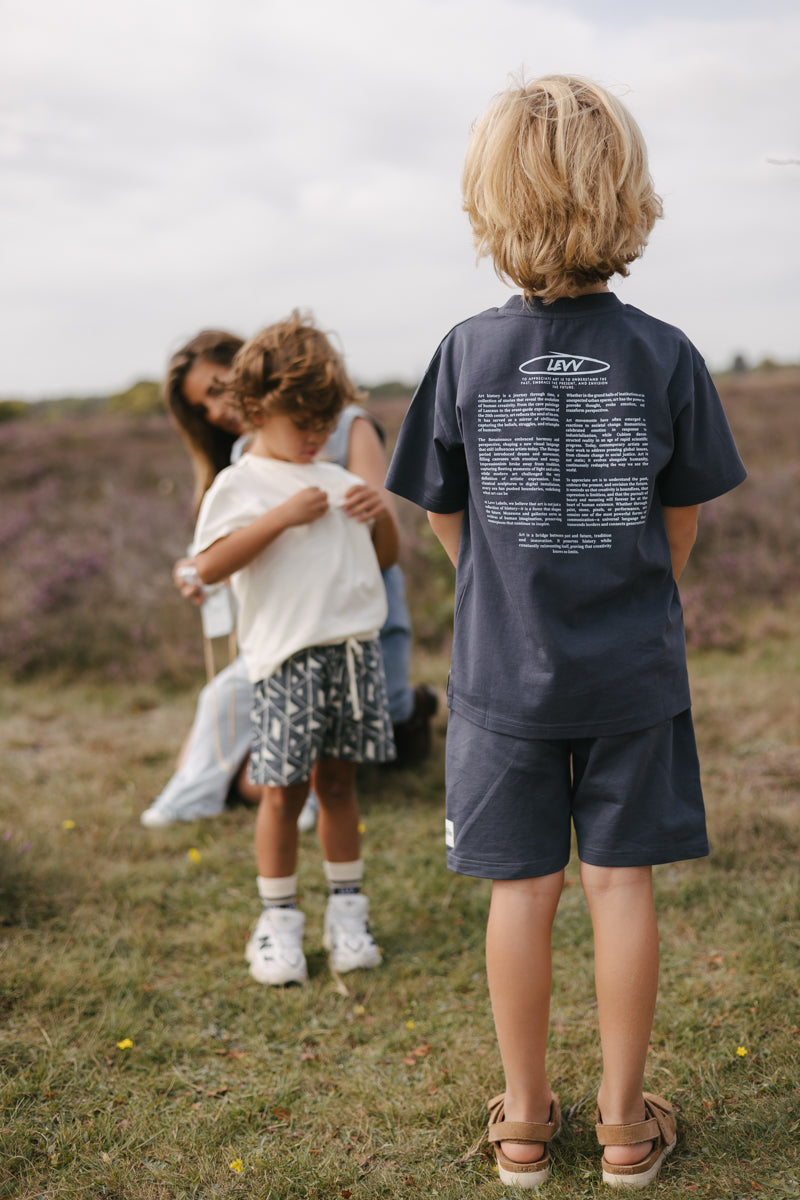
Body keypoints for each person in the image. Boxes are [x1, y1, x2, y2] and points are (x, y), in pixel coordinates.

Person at [385, 75, 746, 1188]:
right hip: (633, 671)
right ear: (622, 194)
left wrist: (497, 583)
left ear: (489, 203)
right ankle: (627, 1125)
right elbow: (675, 523)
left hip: (502, 678)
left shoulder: (461, 354)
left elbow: (444, 515)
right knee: (619, 883)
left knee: (521, 890)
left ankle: (525, 1126)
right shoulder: (665, 352)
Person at [140, 330, 436, 830]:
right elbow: (220, 554)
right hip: (287, 633)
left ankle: (411, 710)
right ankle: (203, 791)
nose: (217, 409)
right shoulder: (244, 463)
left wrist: (376, 512)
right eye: (204, 405)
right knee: (220, 714)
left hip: (354, 628)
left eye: (218, 388)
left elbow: (382, 542)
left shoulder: (345, 426)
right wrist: (197, 574)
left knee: (276, 775)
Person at [193, 311, 397, 985]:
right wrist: (280, 517)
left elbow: (385, 559)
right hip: (286, 661)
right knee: (281, 789)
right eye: (301, 425)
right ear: (255, 410)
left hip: (352, 653)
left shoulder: (340, 481)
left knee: (338, 784)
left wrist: (382, 517)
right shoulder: (240, 485)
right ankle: (277, 922)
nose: (316, 437)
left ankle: (348, 912)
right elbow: (210, 566)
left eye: (324, 423)